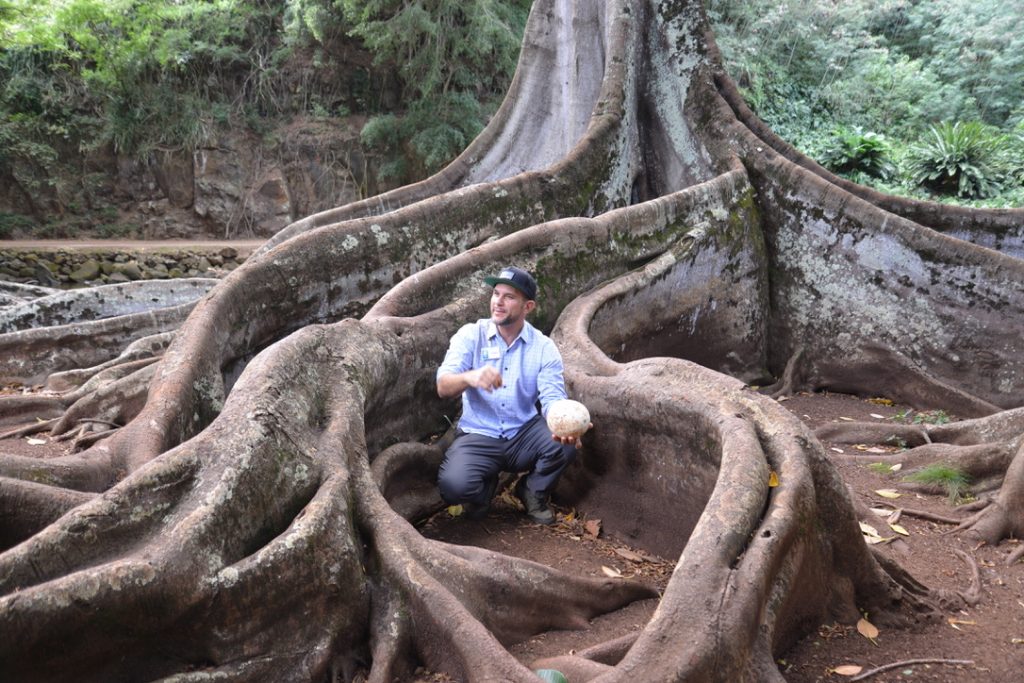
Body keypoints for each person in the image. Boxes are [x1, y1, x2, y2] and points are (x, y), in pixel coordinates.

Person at [436, 266, 583, 524]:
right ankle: (483, 490)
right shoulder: (471, 335)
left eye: (509, 297)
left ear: (528, 307)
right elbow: (442, 386)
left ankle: (532, 491)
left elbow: (552, 398)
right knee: (454, 486)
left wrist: (567, 422)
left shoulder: (544, 347)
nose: (498, 302)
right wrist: (470, 377)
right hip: (479, 433)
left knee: (565, 443)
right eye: (496, 294)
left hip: (523, 433)